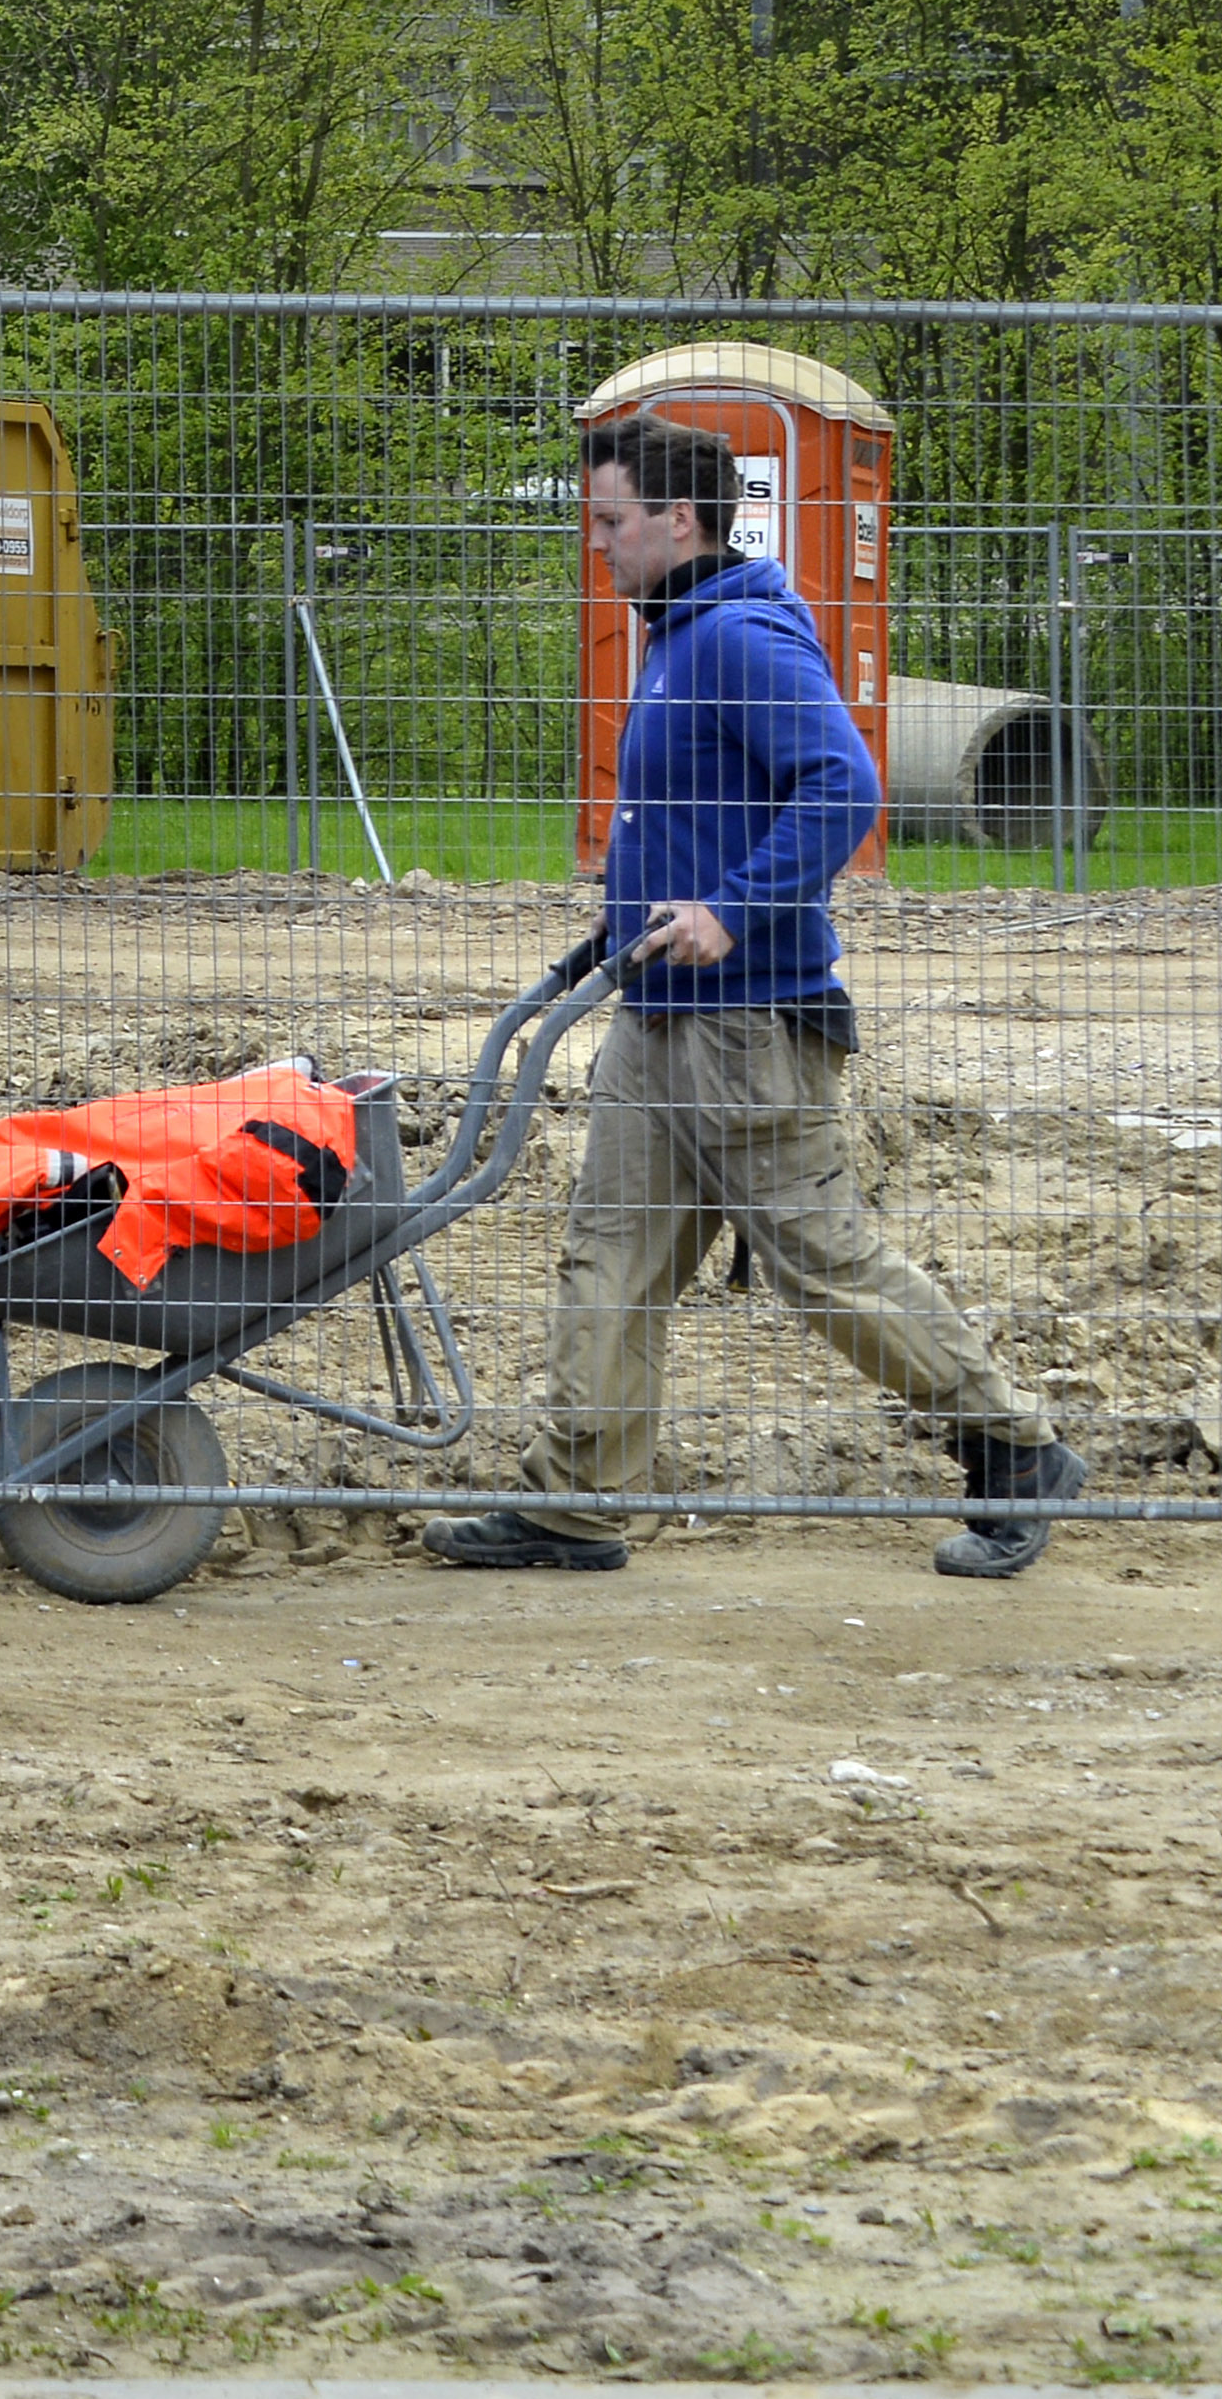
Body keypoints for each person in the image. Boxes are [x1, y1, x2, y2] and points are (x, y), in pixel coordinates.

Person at [426, 411, 1078, 1581]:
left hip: (746, 1026)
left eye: (611, 521)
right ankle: (576, 1501)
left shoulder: (735, 636)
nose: (600, 544)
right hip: (657, 1013)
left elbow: (840, 785)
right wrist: (621, 920)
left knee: (819, 1261)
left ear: (676, 521)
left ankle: (1014, 1446)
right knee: (610, 1254)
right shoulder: (678, 632)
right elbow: (704, 804)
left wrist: (725, 908)